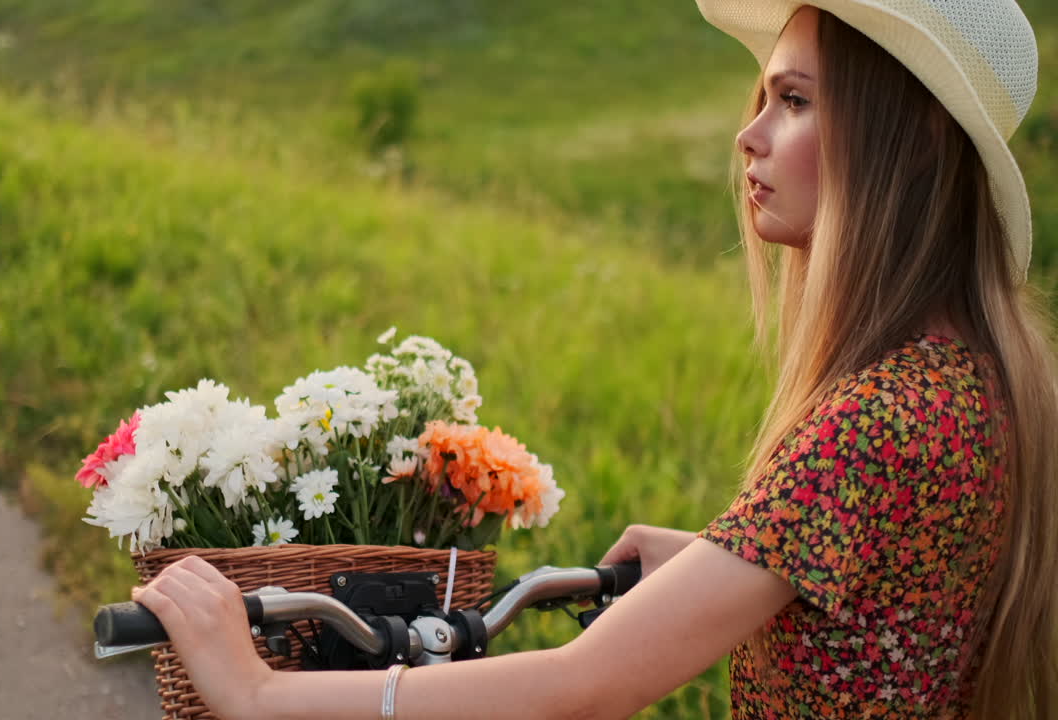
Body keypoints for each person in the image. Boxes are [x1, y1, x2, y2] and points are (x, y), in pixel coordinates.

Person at [131, 2, 1058, 718]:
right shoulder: (973, 383)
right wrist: (721, 561)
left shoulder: (875, 418)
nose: (751, 133)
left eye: (797, 99)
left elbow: (580, 689)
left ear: (916, 140)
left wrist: (255, 693)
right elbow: (893, 606)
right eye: (764, 97)